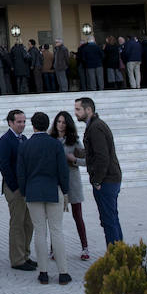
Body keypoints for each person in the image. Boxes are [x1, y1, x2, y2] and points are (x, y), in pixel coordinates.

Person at [17, 112, 71, 285]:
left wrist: (25, 192)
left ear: (32, 125)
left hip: (33, 191)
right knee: (57, 230)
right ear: (48, 125)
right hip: (53, 189)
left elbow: (21, 172)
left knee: (39, 232)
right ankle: (63, 272)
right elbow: (63, 170)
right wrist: (66, 191)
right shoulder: (55, 144)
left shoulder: (25, 145)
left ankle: (43, 272)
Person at [75, 97, 123, 246]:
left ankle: (116, 257)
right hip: (109, 178)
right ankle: (121, 254)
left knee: (109, 220)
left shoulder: (95, 127)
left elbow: (102, 157)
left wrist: (97, 180)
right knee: (112, 218)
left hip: (106, 180)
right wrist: (77, 152)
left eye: (78, 109)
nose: (75, 113)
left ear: (88, 110)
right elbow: (95, 151)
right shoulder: (95, 125)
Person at [0, 110, 36, 271]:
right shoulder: (5, 140)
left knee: (28, 223)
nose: (22, 125)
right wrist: (15, 186)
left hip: (26, 188)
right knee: (17, 224)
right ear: (10, 123)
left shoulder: (24, 139)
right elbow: (4, 165)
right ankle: (17, 259)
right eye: (19, 122)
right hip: (15, 188)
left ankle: (25, 255)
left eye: (24, 122)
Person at [50, 111, 89, 260]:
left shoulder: (74, 141)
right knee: (55, 218)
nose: (61, 125)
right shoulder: (50, 139)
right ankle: (54, 249)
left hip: (73, 182)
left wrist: (73, 160)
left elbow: (86, 160)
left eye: (64, 122)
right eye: (58, 122)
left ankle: (85, 248)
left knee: (77, 215)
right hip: (56, 183)